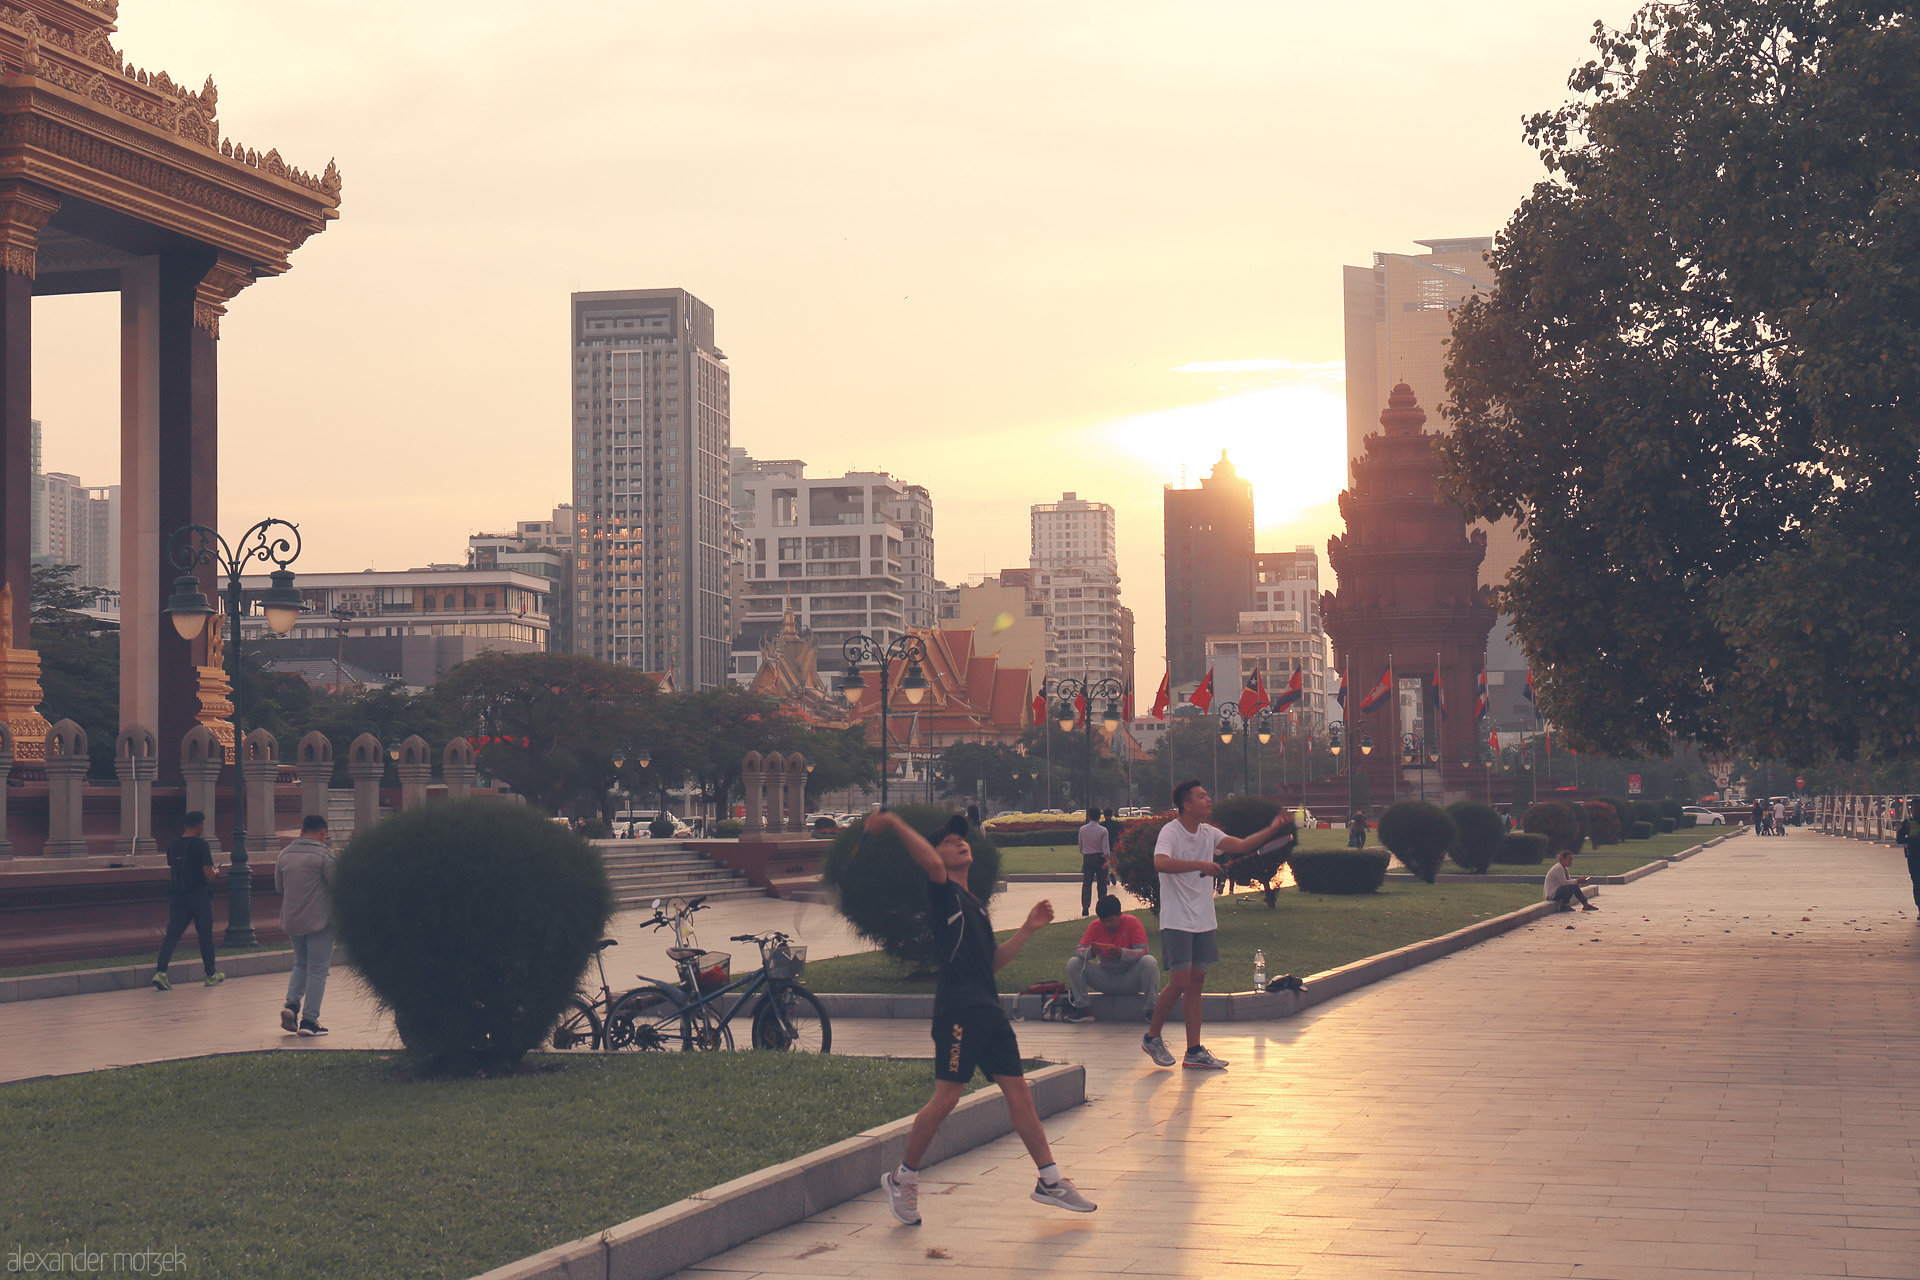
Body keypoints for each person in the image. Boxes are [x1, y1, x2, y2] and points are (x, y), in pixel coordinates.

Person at [862, 809, 1096, 1224]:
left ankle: (1050, 1180)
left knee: (1019, 1093)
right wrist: (897, 822)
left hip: (988, 1009)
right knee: (948, 1096)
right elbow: (932, 864)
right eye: (948, 841)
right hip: (958, 1009)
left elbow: (989, 965)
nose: (959, 842)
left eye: (961, 838)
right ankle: (903, 1178)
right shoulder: (943, 894)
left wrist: (1026, 929)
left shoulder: (974, 905)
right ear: (936, 855)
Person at [1142, 780, 1291, 1071]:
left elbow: (1243, 845)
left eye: (1207, 794)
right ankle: (1152, 1037)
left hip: (1203, 919)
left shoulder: (1209, 833)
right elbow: (1160, 863)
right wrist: (1200, 864)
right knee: (1180, 982)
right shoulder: (1170, 832)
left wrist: (1273, 828)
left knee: (1196, 982)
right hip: (1177, 919)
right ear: (1187, 804)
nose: (1209, 799)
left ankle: (1194, 1051)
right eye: (1202, 796)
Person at [275, 815, 337, 1036]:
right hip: (320, 921)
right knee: (318, 970)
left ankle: (291, 1006)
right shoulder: (324, 855)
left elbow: (279, 887)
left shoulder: (284, 855)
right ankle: (309, 1022)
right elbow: (337, 884)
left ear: (301, 832)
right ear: (323, 833)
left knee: (301, 964)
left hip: (293, 920)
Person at [152, 811, 224, 991]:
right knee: (205, 935)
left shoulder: (173, 845)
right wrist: (215, 872)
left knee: (172, 934)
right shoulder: (201, 845)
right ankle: (211, 974)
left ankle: (161, 972)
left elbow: (173, 866)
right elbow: (207, 873)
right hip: (198, 895)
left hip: (177, 894)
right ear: (200, 825)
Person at [1062, 894, 1159, 1023]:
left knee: (1149, 961)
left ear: (1120, 915)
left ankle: (1151, 1010)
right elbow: (1078, 951)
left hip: (1130, 978)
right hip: (1106, 978)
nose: (1107, 925)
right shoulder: (1095, 926)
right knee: (1074, 963)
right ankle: (1083, 1009)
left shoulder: (1132, 923)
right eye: (1104, 921)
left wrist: (1122, 953)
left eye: (1111, 920)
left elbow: (1143, 951)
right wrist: (1091, 952)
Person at [1076, 808, 1112, 916]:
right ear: (1099, 817)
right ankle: (1103, 907)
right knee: (1101, 884)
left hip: (1088, 858)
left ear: (1089, 816)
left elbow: (1081, 845)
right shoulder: (1103, 830)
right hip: (1100, 858)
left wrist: (1084, 852)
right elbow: (1105, 847)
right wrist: (1107, 859)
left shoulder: (1082, 829)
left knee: (1087, 884)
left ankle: (1085, 906)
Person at [1897, 800, 1920, 915]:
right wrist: (1912, 839)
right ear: (1911, 810)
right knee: (1917, 884)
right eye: (1914, 809)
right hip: (1914, 858)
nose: (1917, 811)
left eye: (1919, 808)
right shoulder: (1907, 823)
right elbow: (1899, 839)